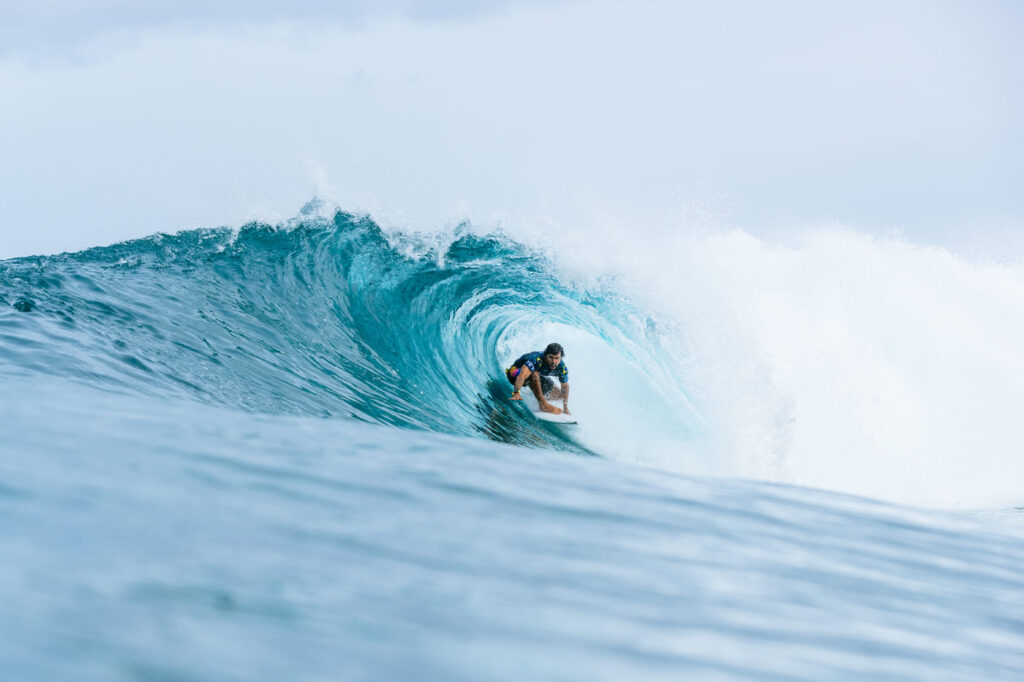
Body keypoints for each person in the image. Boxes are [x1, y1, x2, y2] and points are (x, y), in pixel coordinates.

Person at [506, 342, 570, 415]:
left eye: (557, 358)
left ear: (561, 357)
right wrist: (516, 393)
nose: (554, 362)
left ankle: (537, 396)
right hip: (515, 374)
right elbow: (522, 375)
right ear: (546, 355)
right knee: (534, 373)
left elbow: (565, 386)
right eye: (551, 357)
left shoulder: (561, 367)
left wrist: (565, 407)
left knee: (559, 395)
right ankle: (543, 404)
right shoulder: (536, 359)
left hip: (534, 376)